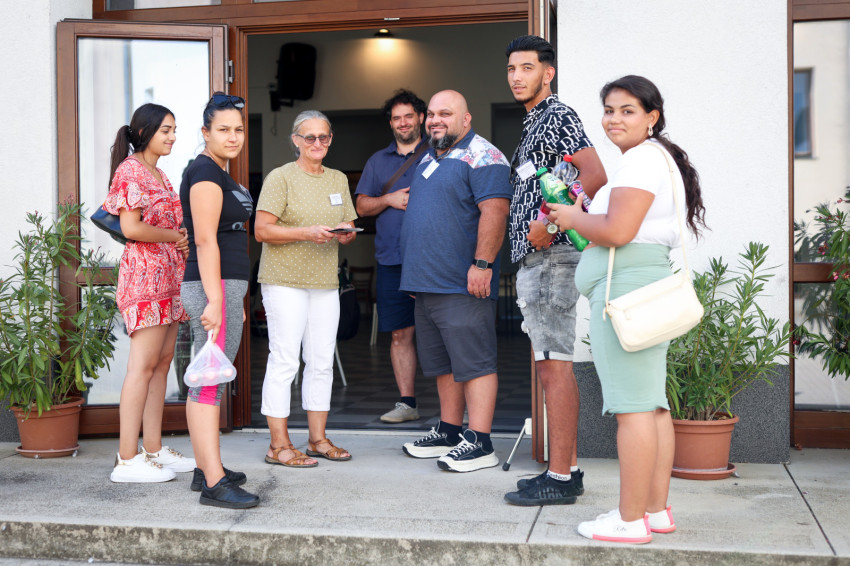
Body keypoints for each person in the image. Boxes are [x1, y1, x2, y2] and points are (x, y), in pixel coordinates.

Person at [548, 75, 706, 542]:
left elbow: (618, 231)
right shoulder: (654, 157)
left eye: (627, 110)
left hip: (625, 290)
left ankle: (630, 520)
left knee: (633, 410)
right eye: (609, 110)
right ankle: (653, 512)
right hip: (640, 284)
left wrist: (572, 217)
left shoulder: (640, 160)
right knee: (651, 406)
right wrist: (586, 212)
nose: (614, 119)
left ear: (651, 117)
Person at [502, 35, 607, 506]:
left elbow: (594, 175)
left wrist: (547, 224)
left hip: (552, 257)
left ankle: (561, 477)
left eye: (527, 68)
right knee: (550, 362)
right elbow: (563, 181)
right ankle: (567, 469)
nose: (517, 76)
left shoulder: (556, 115)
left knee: (553, 365)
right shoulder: (535, 121)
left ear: (548, 73)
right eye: (511, 69)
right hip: (540, 258)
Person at [399, 90, 512, 472]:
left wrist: (482, 264)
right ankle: (449, 431)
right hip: (427, 284)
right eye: (431, 113)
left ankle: (480, 442)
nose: (435, 120)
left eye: (445, 113)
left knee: (475, 363)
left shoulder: (484, 156)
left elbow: (495, 212)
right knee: (443, 364)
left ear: (466, 119)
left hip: (462, 283)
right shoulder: (429, 158)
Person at [255, 110, 358, 467]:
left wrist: (345, 234)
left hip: (325, 282)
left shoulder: (337, 179)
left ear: (330, 139)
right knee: (285, 360)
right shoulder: (281, 177)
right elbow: (262, 230)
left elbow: (348, 225)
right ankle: (278, 445)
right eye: (309, 137)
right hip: (284, 280)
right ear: (296, 140)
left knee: (321, 361)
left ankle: (317, 439)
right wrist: (306, 232)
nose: (317, 143)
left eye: (323, 136)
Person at [104, 103, 195, 483]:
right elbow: (132, 228)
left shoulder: (160, 173)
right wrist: (175, 236)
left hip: (169, 277)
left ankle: (153, 449)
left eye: (174, 130)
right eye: (165, 130)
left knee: (162, 363)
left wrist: (181, 238)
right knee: (142, 367)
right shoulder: (130, 170)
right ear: (145, 133)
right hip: (145, 278)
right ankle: (127, 459)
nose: (172, 137)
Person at [180, 93, 259, 509]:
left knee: (209, 378)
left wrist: (232, 298)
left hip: (224, 287)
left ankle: (204, 469)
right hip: (212, 286)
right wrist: (215, 299)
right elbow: (206, 240)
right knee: (208, 382)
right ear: (205, 132)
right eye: (223, 129)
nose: (233, 137)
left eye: (239, 130)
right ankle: (214, 483)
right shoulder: (205, 172)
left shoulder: (217, 171)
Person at [355, 89, 428, 424]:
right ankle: (407, 403)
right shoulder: (377, 161)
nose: (403, 123)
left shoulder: (438, 153)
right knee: (400, 333)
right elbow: (361, 206)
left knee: (444, 332)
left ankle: (459, 409)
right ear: (391, 123)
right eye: (397, 118)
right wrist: (388, 199)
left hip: (433, 259)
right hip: (391, 260)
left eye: (408, 116)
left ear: (421, 118)